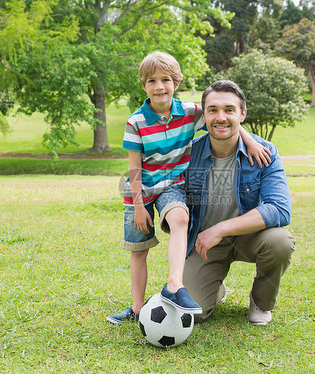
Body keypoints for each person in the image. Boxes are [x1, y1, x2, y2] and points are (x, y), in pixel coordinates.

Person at [107, 53, 271, 324]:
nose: (160, 86)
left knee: (180, 218)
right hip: (141, 191)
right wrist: (138, 206)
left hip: (172, 186)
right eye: (152, 81)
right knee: (139, 251)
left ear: (176, 82)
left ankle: (174, 286)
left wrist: (249, 141)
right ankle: (136, 308)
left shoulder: (191, 112)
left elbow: (221, 120)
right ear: (144, 85)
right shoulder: (135, 122)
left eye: (166, 80)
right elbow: (134, 168)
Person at [183, 80, 295, 325]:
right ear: (204, 115)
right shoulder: (189, 153)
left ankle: (261, 302)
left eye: (229, 110)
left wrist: (221, 228)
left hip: (249, 237)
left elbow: (280, 209)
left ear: (242, 114)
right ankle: (214, 286)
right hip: (205, 244)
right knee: (195, 313)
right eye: (212, 110)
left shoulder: (265, 152)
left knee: (280, 241)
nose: (220, 117)